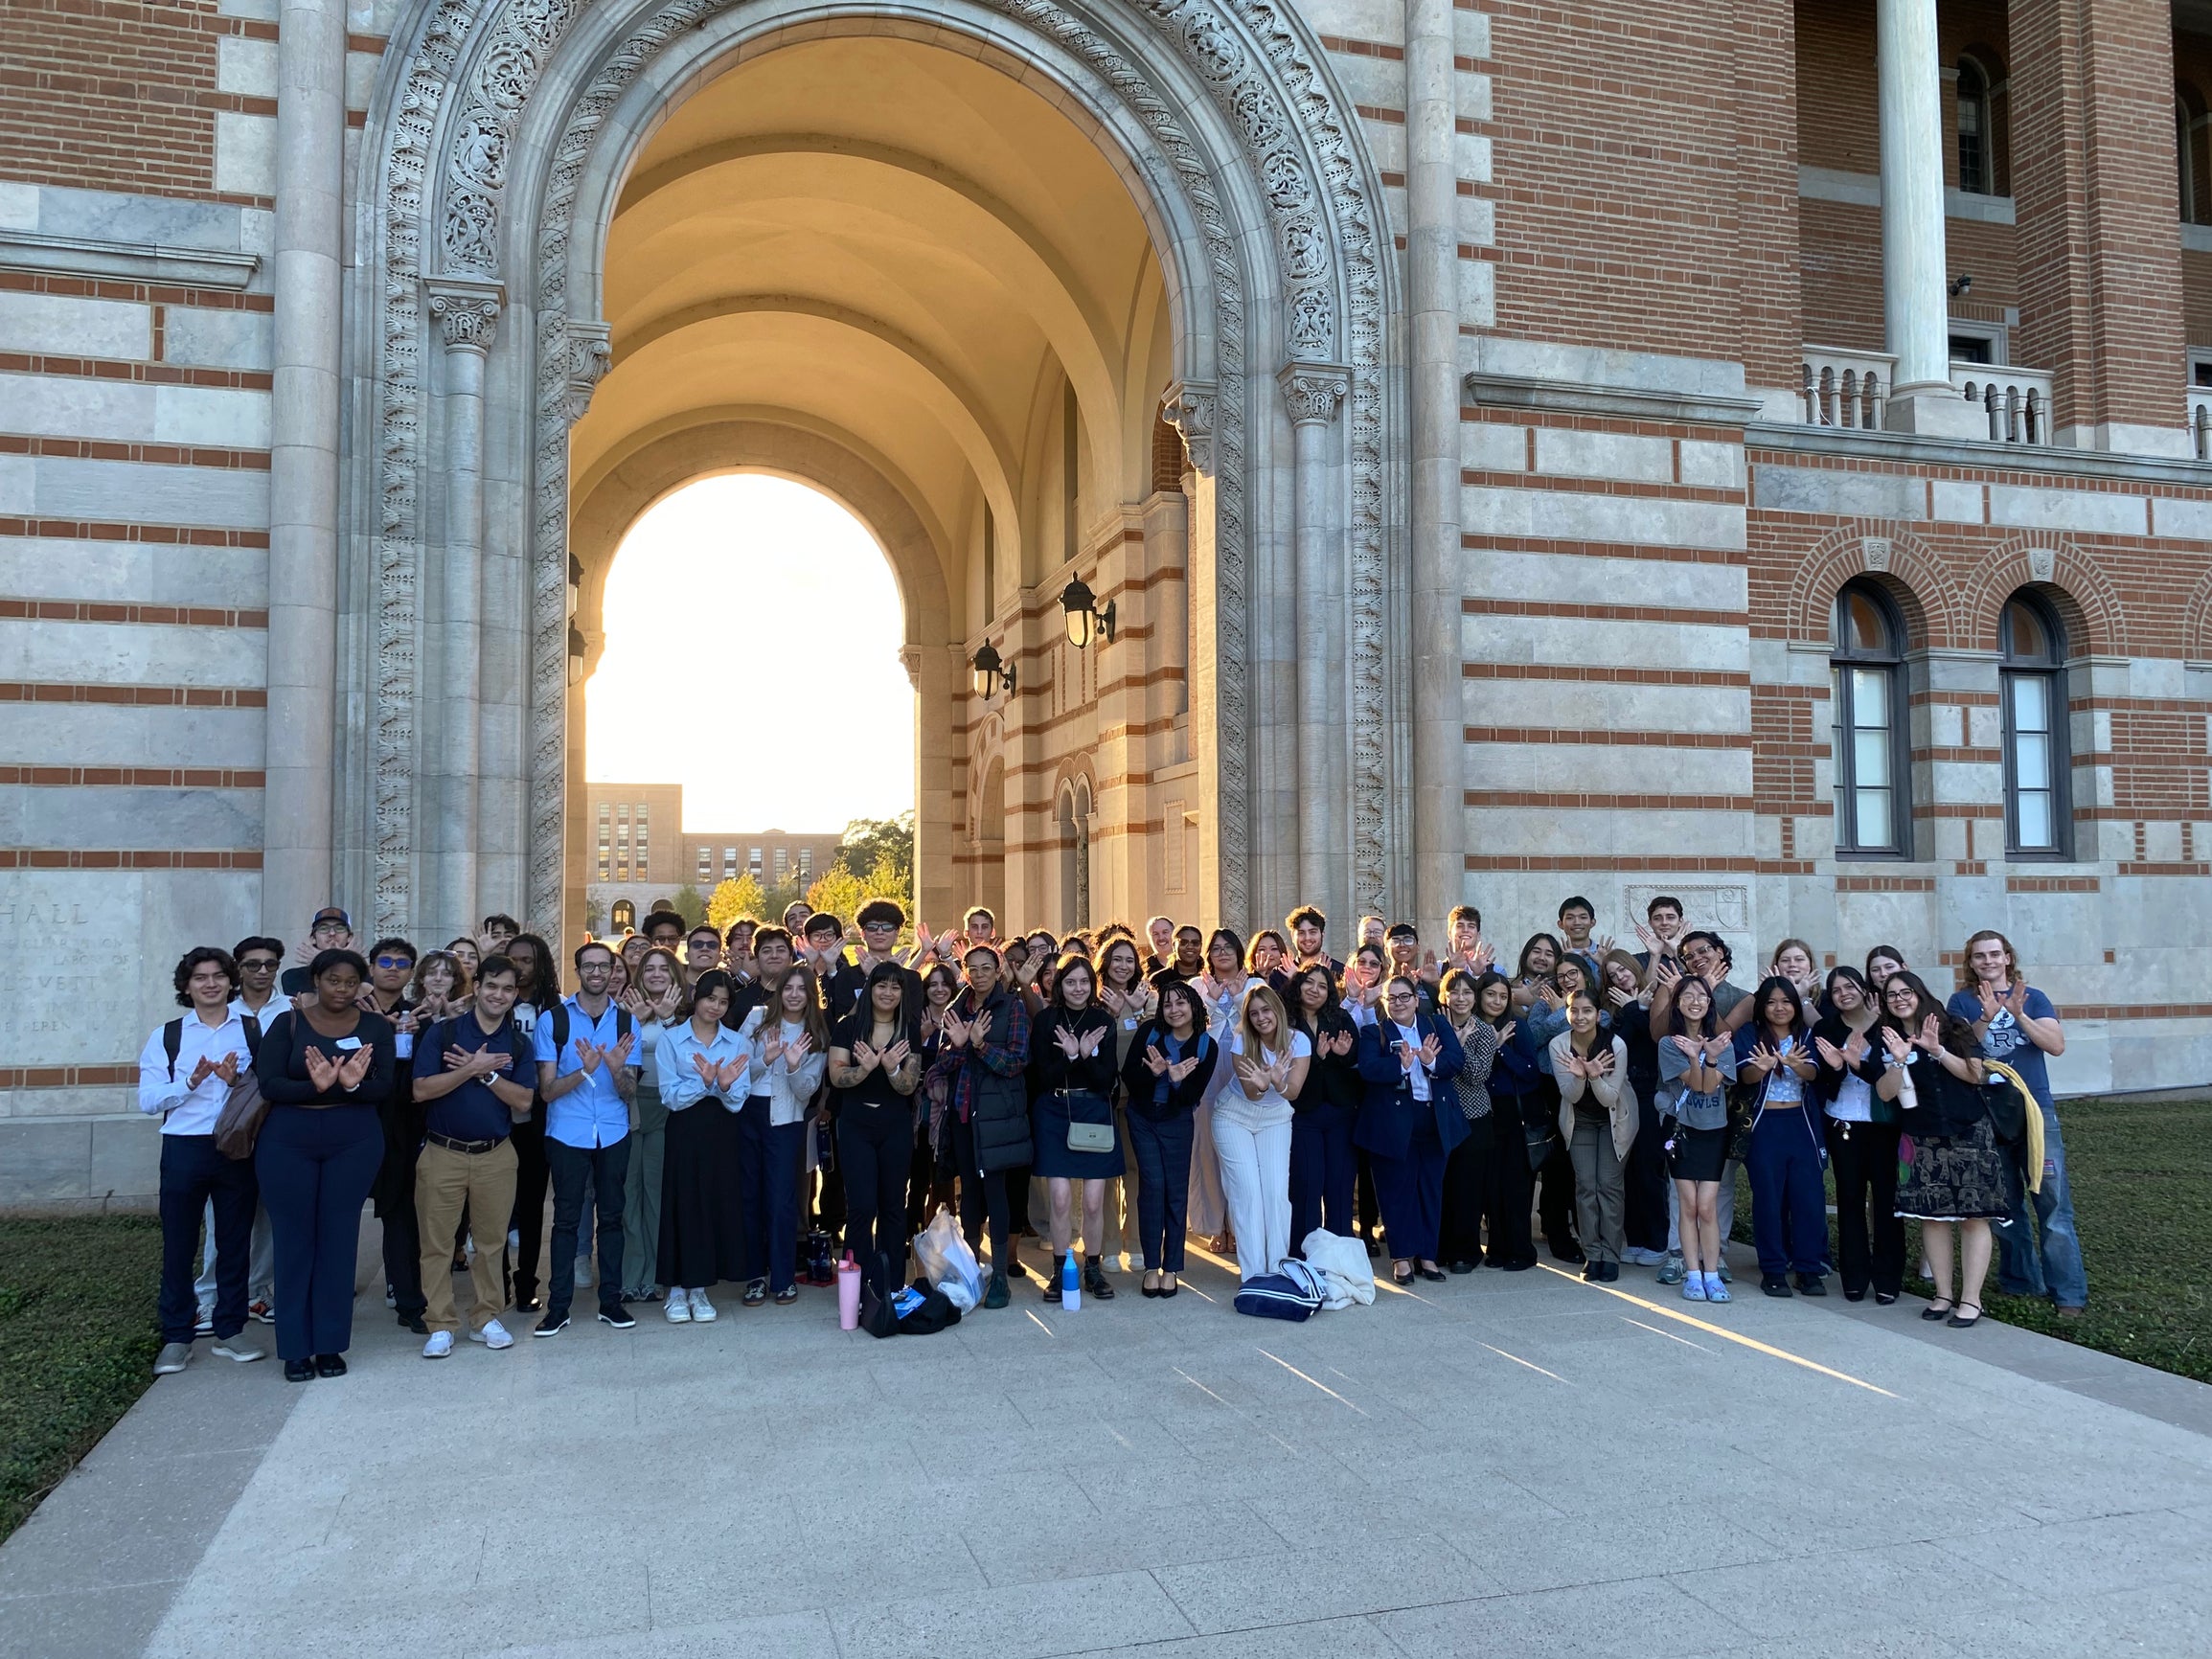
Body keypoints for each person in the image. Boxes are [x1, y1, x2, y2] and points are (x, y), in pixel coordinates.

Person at [253, 947, 394, 1381]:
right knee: (294, 1242)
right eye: (334, 980)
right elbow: (270, 1082)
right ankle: (295, 1348)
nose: (342, 989)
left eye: (351, 982)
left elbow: (384, 1086)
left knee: (338, 1240)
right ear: (316, 980)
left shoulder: (374, 1027)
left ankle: (330, 1345)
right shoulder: (288, 1022)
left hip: (352, 1142)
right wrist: (315, 1088)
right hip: (288, 1142)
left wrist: (351, 1086)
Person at [1946, 930, 2085, 1315]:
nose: (1987, 961)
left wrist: (2018, 1014)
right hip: (1986, 1114)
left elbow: (2055, 1046)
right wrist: (1986, 1021)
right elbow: (1961, 1053)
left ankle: (2068, 1294)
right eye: (1979, 956)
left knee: (2053, 1206)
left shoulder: (2033, 997)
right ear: (1970, 963)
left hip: (2034, 1112)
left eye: (1994, 954)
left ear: (2008, 957)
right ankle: (2021, 1282)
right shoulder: (1960, 1001)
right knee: (2004, 1205)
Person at [142, 948, 265, 1375]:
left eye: (217, 976)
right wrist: (189, 1082)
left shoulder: (252, 1031)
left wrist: (237, 1082)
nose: (210, 984)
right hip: (183, 1147)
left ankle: (231, 1329)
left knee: (234, 1243)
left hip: (235, 1147)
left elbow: (266, 1087)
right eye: (200, 977)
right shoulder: (168, 1035)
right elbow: (147, 1099)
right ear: (187, 985)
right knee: (178, 1244)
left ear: (231, 982)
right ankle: (177, 1335)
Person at [408, 953, 535, 1356]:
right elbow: (422, 1090)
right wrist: (469, 1068)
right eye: (491, 986)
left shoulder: (517, 1042)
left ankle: (485, 1317)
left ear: (515, 995)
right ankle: (441, 1322)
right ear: (476, 987)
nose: (498, 995)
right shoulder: (443, 1034)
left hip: (495, 1154)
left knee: (491, 1243)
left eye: (507, 989)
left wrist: (487, 1073)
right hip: (443, 1151)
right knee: (437, 1243)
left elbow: (524, 1101)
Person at [1881, 972, 2013, 1329]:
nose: (1899, 999)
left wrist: (1935, 1050)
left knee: (1974, 1216)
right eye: (1891, 995)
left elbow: (1975, 1074)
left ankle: (1971, 1299)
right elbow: (1884, 1093)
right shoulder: (1888, 1037)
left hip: (1968, 1132)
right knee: (1933, 1218)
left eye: (1905, 991)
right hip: (1921, 1137)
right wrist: (1898, 1059)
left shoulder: (1953, 1026)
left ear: (1919, 993)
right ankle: (1942, 1295)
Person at [531, 941, 640, 1336]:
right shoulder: (553, 1021)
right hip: (567, 1133)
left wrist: (614, 1069)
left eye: (604, 967)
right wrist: (586, 1071)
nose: (597, 974)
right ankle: (558, 1306)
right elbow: (546, 1092)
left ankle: (610, 1301)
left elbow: (629, 1091)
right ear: (577, 971)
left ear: (613, 972)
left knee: (612, 1217)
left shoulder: (627, 1023)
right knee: (565, 1220)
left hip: (612, 1132)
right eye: (589, 966)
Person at [931, 943, 1032, 1307]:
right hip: (963, 1114)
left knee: (996, 1193)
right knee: (969, 1193)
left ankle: (1001, 1276)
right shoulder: (956, 1009)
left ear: (998, 967)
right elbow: (940, 1065)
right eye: (972, 968)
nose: (979, 975)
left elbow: (1017, 1062)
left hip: (998, 1116)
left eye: (986, 967)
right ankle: (973, 1272)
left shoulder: (1014, 1007)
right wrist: (959, 1046)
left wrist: (979, 1046)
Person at [1355, 974, 1467, 1286]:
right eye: (1392, 998)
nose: (1399, 1003)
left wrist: (1432, 1062)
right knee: (1396, 1192)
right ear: (1384, 1002)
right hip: (1392, 1125)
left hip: (1434, 1120)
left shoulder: (1436, 1026)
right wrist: (1401, 1067)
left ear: (1417, 1000)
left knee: (1430, 1190)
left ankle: (1427, 1255)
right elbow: (1368, 1069)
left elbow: (1456, 1060)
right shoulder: (1372, 1032)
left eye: (1405, 997)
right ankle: (1401, 1258)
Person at [655, 968, 751, 1322]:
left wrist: (722, 1086)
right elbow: (670, 1095)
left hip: (722, 1133)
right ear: (696, 997)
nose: (716, 1006)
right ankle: (676, 1290)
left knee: (712, 1203)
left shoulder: (737, 1042)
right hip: (684, 1130)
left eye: (724, 1002)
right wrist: (707, 1084)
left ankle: (700, 1289)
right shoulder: (672, 1039)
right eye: (711, 998)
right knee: (682, 1203)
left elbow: (738, 1098)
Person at [1027, 951, 1120, 1299]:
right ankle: (1061, 1269)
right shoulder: (1046, 1020)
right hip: (1054, 1109)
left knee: (1094, 1202)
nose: (1078, 988)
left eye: (1084, 981)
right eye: (1070, 982)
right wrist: (1070, 1056)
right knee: (1061, 1199)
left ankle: (1093, 1268)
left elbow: (1104, 1080)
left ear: (1092, 984)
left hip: (1094, 1108)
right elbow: (1042, 1076)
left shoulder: (1103, 1022)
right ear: (1058, 985)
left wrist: (1087, 1055)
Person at [829, 961, 925, 1293]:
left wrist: (892, 1070)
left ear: (903, 993)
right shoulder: (848, 1026)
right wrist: (866, 1069)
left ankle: (890, 1283)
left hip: (894, 1124)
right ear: (870, 989)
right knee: (861, 1207)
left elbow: (909, 1084)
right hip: (855, 1124)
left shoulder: (908, 1029)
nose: (888, 992)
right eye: (881, 985)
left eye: (895, 987)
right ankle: (854, 1287)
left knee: (893, 1206)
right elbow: (837, 1076)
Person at [735, 964, 829, 1306]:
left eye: (801, 989)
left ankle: (784, 1277)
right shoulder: (758, 1018)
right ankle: (754, 1276)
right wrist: (765, 1058)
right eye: (787, 988)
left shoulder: (814, 1033)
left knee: (781, 1200)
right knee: (750, 1197)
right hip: (749, 1115)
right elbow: (737, 1067)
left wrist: (791, 1065)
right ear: (779, 991)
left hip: (786, 1121)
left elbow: (807, 1091)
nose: (793, 994)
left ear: (810, 994)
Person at [1811, 966, 1901, 1304]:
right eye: (1836, 990)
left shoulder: (1886, 1025)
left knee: (1886, 1201)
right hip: (1843, 1122)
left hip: (1882, 1124)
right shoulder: (1826, 1028)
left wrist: (1856, 1062)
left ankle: (1888, 1278)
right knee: (1849, 1200)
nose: (1844, 993)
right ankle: (1854, 1276)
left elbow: (1889, 1077)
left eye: (1850, 986)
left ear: (1864, 989)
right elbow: (1822, 1082)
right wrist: (1836, 1068)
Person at [1120, 981, 1215, 1297]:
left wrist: (1176, 1082)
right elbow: (1129, 1076)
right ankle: (1150, 1266)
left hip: (1177, 1120)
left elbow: (1192, 1096)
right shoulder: (1149, 1033)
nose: (1174, 1010)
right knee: (1152, 1186)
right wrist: (1156, 1073)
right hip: (1143, 1118)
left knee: (1176, 1191)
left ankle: (1171, 1266)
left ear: (1194, 1007)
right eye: (1168, 1004)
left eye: (1181, 1003)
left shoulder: (1206, 1046)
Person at [1736, 975, 1828, 1297]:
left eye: (1786, 1001)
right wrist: (1760, 1068)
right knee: (1769, 1199)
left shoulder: (1807, 1035)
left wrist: (1796, 1065)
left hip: (1800, 1124)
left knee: (1808, 1199)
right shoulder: (1750, 1034)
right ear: (1762, 1006)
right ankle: (1773, 1269)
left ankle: (1809, 1269)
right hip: (1765, 1126)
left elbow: (1815, 1073)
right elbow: (1743, 1075)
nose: (1779, 1008)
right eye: (1772, 1002)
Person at [1216, 983, 1308, 1282]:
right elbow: (1253, 1094)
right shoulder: (1242, 1042)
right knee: (1248, 1194)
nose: (1260, 1018)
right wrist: (1264, 1083)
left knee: (1275, 1193)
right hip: (1234, 1116)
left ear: (1277, 1011)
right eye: (1253, 1013)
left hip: (1276, 1118)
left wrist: (1277, 1082)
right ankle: (1253, 1276)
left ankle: (1278, 1270)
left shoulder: (1299, 1041)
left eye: (1266, 1010)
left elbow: (1292, 1093)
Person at [1654, 975, 1736, 1303]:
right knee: (1688, 1206)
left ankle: (1713, 1275)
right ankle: (1692, 1275)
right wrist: (1694, 1057)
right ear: (1677, 1003)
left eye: (1701, 995)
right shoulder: (1668, 1044)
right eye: (1686, 995)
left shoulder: (1723, 1043)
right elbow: (1697, 1083)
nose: (1695, 1001)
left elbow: (1710, 1086)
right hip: (1681, 1131)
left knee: (1707, 1207)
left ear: (1709, 1003)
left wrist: (1711, 1055)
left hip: (1714, 1131)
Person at [360, 937, 426, 1333]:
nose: (392, 968)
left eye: (402, 963)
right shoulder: (347, 1012)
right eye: (384, 960)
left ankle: (409, 1304)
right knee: (337, 1218)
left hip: (402, 1130)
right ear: (370, 966)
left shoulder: (419, 1017)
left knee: (402, 1220)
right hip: (350, 1127)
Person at [616, 945, 686, 1304]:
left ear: (674, 974)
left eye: (663, 968)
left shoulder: (685, 1014)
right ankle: (630, 1276)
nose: (656, 974)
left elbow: (688, 1057)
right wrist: (637, 1021)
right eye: (649, 969)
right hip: (629, 1105)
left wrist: (669, 1018)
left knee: (657, 1193)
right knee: (630, 1193)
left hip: (667, 1107)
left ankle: (656, 1275)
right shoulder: (623, 1010)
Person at [1551, 987, 1633, 1282]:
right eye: (1574, 1011)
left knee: (1609, 1186)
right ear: (1567, 1013)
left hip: (1613, 1120)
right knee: (1586, 1186)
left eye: (1587, 1011)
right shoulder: (1559, 1045)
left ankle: (1611, 1256)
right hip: (1579, 1121)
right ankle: (1593, 1254)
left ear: (1598, 1015)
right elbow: (1570, 1096)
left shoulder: (1616, 1045)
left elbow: (1610, 1098)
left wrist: (1594, 1076)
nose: (1580, 1017)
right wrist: (1578, 1075)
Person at [1601, 949, 1668, 1268]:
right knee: (1627, 1169)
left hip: (1651, 1092)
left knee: (1649, 1167)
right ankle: (1636, 1238)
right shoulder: (1614, 1010)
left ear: (1633, 967)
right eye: (1612, 975)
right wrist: (1629, 1010)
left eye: (1622, 970)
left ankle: (1657, 1240)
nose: (1620, 977)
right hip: (1623, 1094)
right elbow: (1616, 1047)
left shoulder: (1656, 996)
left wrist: (1636, 1008)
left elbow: (1657, 1039)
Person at [1286, 962, 1359, 1249]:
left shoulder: (1339, 1017)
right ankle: (1304, 1254)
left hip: (1340, 1112)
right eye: (1309, 983)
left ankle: (1340, 1253)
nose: (1315, 990)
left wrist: (1342, 1054)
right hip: (1303, 1113)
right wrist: (1316, 1057)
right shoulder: (1286, 1019)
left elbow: (1354, 1055)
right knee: (1307, 1185)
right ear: (1298, 984)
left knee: (1339, 1186)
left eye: (1322, 985)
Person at [1094, 935, 1155, 1272]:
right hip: (1103, 1097)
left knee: (1135, 1170)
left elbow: (1155, 1040)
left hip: (1138, 1097)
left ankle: (1135, 1242)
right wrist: (1111, 1015)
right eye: (1116, 959)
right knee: (1105, 1174)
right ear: (1105, 963)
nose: (1123, 966)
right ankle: (1110, 1245)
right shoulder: (1092, 999)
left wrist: (1141, 1009)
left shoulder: (1148, 998)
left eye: (1129, 960)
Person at [1436, 967, 1500, 1274]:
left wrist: (1458, 1045)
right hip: (1439, 1115)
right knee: (1442, 1185)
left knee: (1468, 1188)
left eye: (1466, 992)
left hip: (1474, 1118)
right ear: (1443, 995)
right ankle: (1439, 1248)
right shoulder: (1434, 1026)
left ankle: (1465, 1250)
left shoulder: (1484, 1031)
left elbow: (1477, 1075)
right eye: (1454, 991)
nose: (1460, 998)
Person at [1475, 971, 1540, 1271]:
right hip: (1482, 1114)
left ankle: (1521, 1250)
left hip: (1512, 1114)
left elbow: (1530, 1071)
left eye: (1503, 996)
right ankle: (1498, 1248)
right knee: (1491, 1185)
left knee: (1515, 1186)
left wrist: (1498, 1047)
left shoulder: (1518, 1027)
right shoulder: (1471, 1027)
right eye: (1491, 995)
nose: (1497, 1001)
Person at [503, 932, 554, 1313]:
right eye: (513, 959)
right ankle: (497, 1282)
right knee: (496, 1206)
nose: (519, 967)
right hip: (497, 1110)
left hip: (538, 1113)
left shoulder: (555, 1009)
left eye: (526, 960)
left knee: (533, 1202)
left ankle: (526, 1284)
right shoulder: (492, 1003)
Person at [279, 906, 354, 996]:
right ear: (313, 938)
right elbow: (309, 1004)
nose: (332, 933)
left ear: (349, 938)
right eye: (323, 928)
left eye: (340, 928)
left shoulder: (364, 976)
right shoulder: (293, 976)